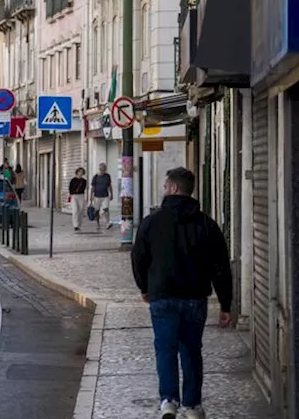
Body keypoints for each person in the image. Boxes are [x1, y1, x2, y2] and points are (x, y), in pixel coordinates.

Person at [131, 167, 233, 419]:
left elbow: (138, 257)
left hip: (162, 296)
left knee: (165, 349)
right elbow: (220, 266)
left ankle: (168, 401)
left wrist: (144, 287)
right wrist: (225, 304)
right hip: (194, 298)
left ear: (174, 188)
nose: (164, 189)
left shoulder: (151, 222)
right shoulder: (206, 224)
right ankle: (192, 405)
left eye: (166, 185)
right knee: (191, 350)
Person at [90, 162, 114, 230]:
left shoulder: (107, 176)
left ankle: (107, 223)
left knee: (106, 209)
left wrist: (111, 194)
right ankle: (97, 224)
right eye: (102, 169)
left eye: (104, 169)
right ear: (99, 169)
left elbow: (109, 185)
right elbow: (93, 187)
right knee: (96, 211)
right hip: (97, 196)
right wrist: (91, 196)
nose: (103, 171)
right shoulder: (95, 177)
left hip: (105, 196)